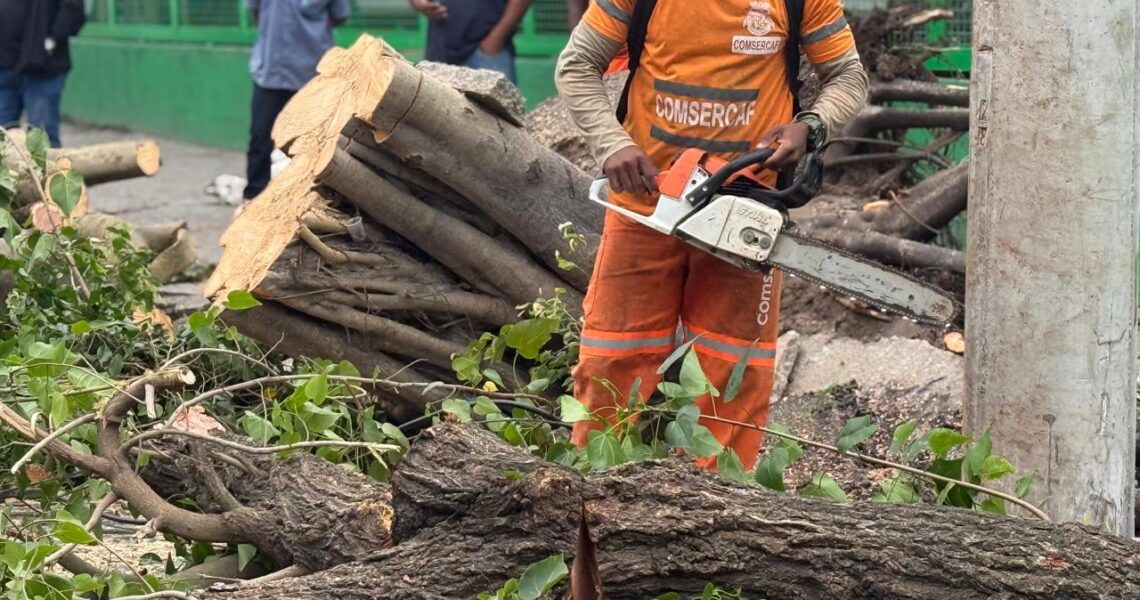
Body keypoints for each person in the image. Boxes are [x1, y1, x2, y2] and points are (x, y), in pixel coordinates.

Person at [556, 0, 869, 470]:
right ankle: (597, 486)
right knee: (612, 357)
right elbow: (577, 64)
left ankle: (721, 505)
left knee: (732, 369)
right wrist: (613, 144)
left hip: (747, 207)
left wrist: (811, 126)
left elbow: (847, 75)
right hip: (647, 200)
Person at [243, 0, 350, 201]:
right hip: (271, 72)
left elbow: (339, 14)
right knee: (261, 137)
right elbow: (255, 10)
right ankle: (253, 196)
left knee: (317, 140)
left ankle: (314, 199)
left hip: (312, 72)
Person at [0, 0, 85, 148]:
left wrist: (52, 41)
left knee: (41, 139)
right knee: (3, 136)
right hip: (5, 67)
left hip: (42, 68)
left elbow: (73, 9)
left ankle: (48, 171)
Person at [408, 0, 533, 83]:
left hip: (488, 51)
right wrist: (421, 4)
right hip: (440, 51)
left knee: (497, 119)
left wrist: (496, 39)